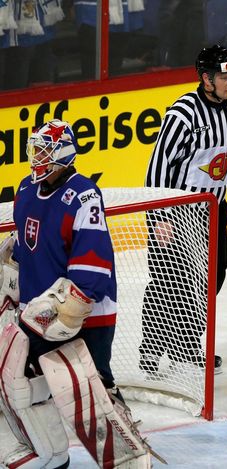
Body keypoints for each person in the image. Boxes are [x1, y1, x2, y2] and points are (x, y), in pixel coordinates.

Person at [0, 119, 153, 468]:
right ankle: (50, 455)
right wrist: (13, 255)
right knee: (25, 387)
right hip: (36, 314)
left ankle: (129, 459)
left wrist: (75, 305)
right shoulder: (25, 189)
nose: (35, 158)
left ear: (63, 154)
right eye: (33, 150)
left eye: (42, 151)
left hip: (84, 314)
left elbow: (93, 258)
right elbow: (31, 245)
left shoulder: (82, 195)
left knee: (95, 391)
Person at [140, 45, 227, 376]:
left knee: (211, 279)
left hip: (212, 210)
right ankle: (151, 350)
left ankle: (186, 345)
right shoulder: (183, 114)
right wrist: (160, 217)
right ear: (206, 79)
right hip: (174, 213)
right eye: (223, 76)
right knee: (167, 282)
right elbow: (156, 167)